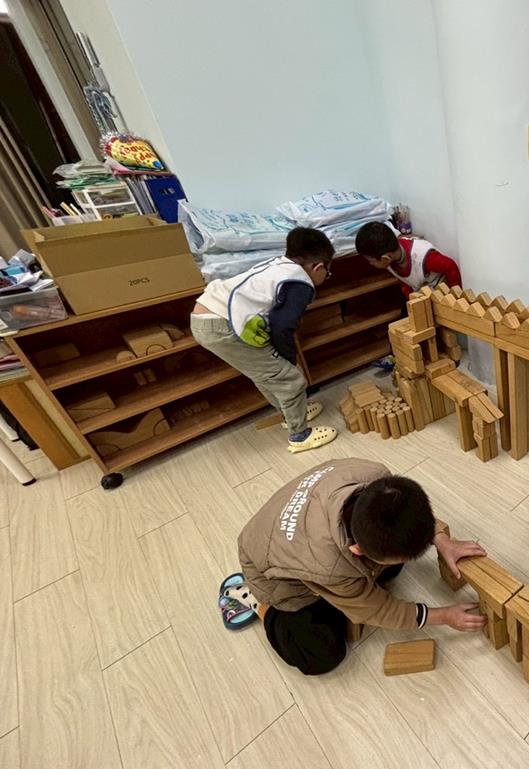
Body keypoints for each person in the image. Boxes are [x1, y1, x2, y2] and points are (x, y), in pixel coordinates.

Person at [220, 460, 488, 675]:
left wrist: (442, 540)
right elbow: (378, 610)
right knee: (321, 654)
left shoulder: (378, 478)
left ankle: (344, 597)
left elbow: (410, 514)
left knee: (391, 570)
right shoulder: (327, 565)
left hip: (298, 529)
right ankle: (255, 600)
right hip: (269, 572)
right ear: (357, 550)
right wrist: (444, 616)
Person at [191, 227, 337, 454]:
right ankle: (300, 435)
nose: (325, 277)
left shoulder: (279, 264)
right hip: (223, 325)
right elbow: (283, 326)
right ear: (317, 267)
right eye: (327, 272)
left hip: (209, 318)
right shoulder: (300, 282)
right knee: (290, 379)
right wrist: (289, 359)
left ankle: (291, 413)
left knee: (267, 374)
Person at [355, 221, 462, 297]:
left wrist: (455, 295)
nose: (370, 264)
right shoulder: (391, 259)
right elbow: (405, 280)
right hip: (422, 294)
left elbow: (450, 266)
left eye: (371, 260)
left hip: (442, 293)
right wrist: (410, 296)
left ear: (386, 258)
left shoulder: (423, 256)